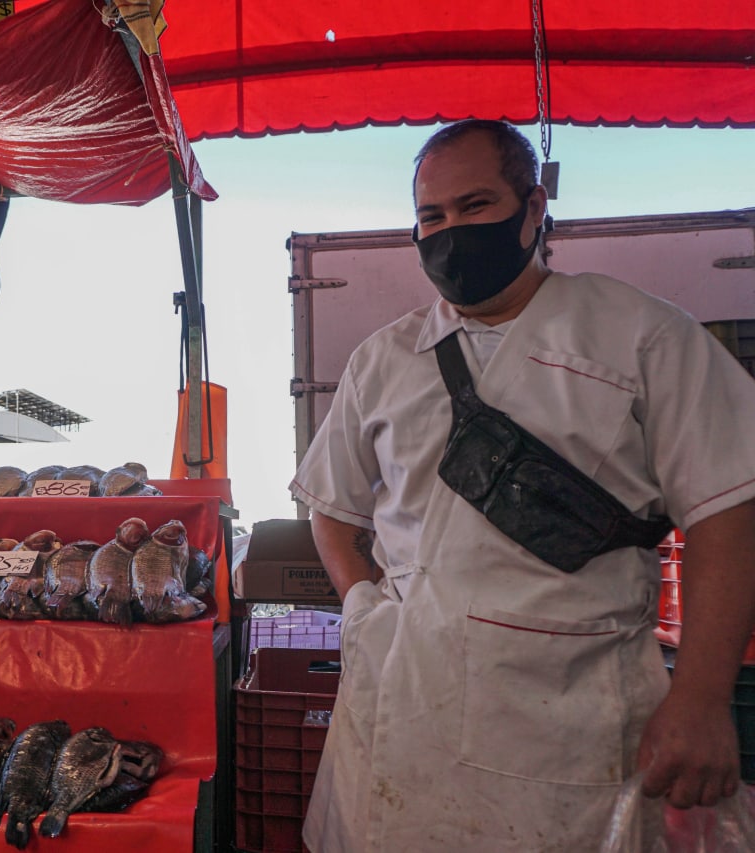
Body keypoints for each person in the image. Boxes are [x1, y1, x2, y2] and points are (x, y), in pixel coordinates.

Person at [291, 119, 755, 851]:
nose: (450, 231)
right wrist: (361, 606)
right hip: (400, 702)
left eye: (475, 206)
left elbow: (728, 509)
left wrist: (700, 696)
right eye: (431, 216)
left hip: (566, 714)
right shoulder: (383, 360)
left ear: (534, 208)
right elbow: (330, 506)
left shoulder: (639, 335)